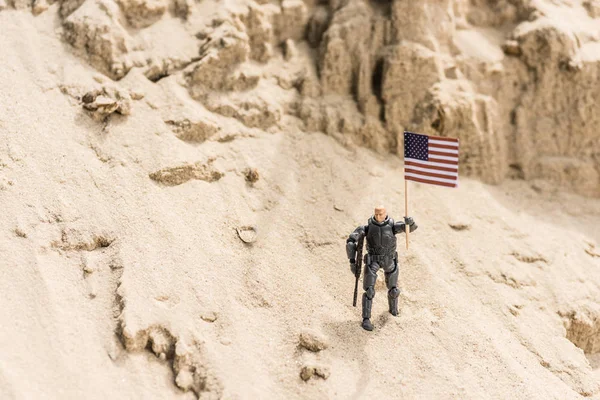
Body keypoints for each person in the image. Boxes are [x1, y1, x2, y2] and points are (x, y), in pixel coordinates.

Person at [345, 206, 418, 331]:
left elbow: (409, 228)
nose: (378, 217)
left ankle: (393, 311)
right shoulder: (367, 228)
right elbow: (351, 241)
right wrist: (352, 261)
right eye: (376, 214)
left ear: (386, 214)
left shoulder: (393, 226)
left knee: (394, 290)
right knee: (369, 291)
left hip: (389, 260)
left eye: (381, 214)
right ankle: (366, 319)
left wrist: (410, 223)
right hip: (373, 260)